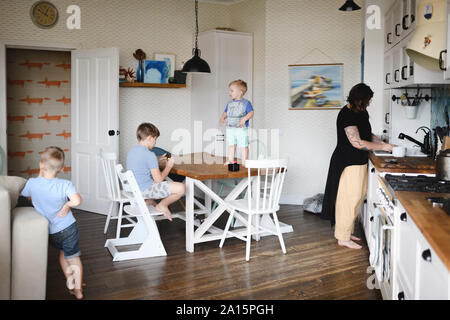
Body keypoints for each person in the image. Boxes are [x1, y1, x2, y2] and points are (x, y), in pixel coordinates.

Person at [320, 83, 394, 250]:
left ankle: (347, 230)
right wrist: (382, 148)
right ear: (360, 99)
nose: (370, 103)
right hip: (348, 161)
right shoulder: (346, 114)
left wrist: (382, 143)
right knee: (348, 199)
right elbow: (357, 142)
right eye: (368, 100)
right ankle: (343, 237)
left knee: (357, 197)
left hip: (358, 161)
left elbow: (366, 134)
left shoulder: (360, 112)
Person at [21, 146, 84, 299]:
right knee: (73, 257)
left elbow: (25, 195)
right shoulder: (65, 184)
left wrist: (39, 174)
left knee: (63, 254)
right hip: (68, 227)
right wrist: (67, 205)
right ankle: (78, 290)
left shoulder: (32, 183)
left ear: (41, 164)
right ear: (62, 168)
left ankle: (70, 282)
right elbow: (77, 201)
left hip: (50, 231)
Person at [126, 122, 185, 221]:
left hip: (134, 188)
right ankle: (162, 205)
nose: (155, 143)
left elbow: (141, 164)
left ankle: (149, 201)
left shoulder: (132, 151)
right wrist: (168, 166)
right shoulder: (150, 155)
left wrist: (157, 160)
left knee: (172, 185)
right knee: (181, 188)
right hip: (145, 190)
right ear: (150, 138)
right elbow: (159, 180)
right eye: (155, 139)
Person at [219, 79, 254, 166]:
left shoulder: (246, 103)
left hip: (241, 129)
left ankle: (244, 162)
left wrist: (245, 119)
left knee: (243, 146)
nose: (229, 93)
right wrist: (222, 118)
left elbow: (251, 112)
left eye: (232, 90)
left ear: (240, 92)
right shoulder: (230, 103)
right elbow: (225, 112)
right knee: (231, 145)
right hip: (230, 128)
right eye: (229, 90)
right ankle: (230, 160)